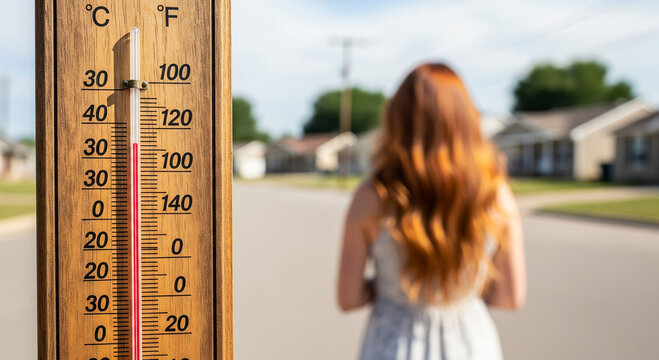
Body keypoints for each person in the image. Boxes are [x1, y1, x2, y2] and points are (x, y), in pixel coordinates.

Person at [337, 63, 526, 360]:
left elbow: (348, 298)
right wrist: (461, 286)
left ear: (397, 121)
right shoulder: (496, 195)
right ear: (465, 120)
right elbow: (510, 297)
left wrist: (388, 287)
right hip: (471, 345)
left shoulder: (372, 196)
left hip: (394, 345)